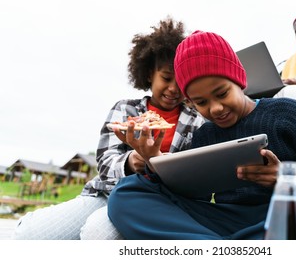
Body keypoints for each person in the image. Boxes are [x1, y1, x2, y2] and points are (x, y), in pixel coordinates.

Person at [107, 30, 296, 240]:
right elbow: (188, 197)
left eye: (222, 94)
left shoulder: (287, 112)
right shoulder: (204, 136)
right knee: (127, 194)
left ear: (239, 80)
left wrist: (288, 178)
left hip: (294, 212)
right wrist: (155, 161)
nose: (215, 108)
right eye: (200, 103)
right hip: (233, 222)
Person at [12, 17, 205, 240]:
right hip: (106, 192)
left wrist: (163, 163)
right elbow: (105, 163)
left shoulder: (196, 121)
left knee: (98, 233)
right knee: (27, 234)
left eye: (180, 81)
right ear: (150, 73)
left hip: (157, 201)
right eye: (166, 78)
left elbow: (195, 175)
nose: (173, 88)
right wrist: (132, 161)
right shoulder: (124, 109)